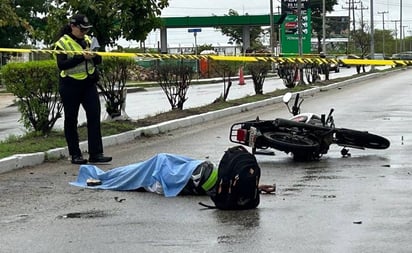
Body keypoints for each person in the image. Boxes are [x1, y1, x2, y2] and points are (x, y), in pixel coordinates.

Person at [70, 153, 276, 197]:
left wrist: (256, 187)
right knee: (130, 174)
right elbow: (231, 185)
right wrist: (256, 187)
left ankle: (102, 179)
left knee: (128, 176)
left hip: (162, 174)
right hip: (168, 169)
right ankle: (102, 178)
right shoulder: (227, 179)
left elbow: (229, 185)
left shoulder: (224, 176)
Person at [54, 14, 111, 164]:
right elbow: (62, 65)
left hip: (88, 84)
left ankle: (96, 153)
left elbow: (98, 60)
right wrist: (81, 57)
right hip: (70, 85)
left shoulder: (88, 40)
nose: (84, 32)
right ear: (73, 26)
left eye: (86, 29)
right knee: (71, 120)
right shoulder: (62, 43)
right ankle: (75, 154)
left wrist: (94, 55)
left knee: (94, 116)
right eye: (82, 29)